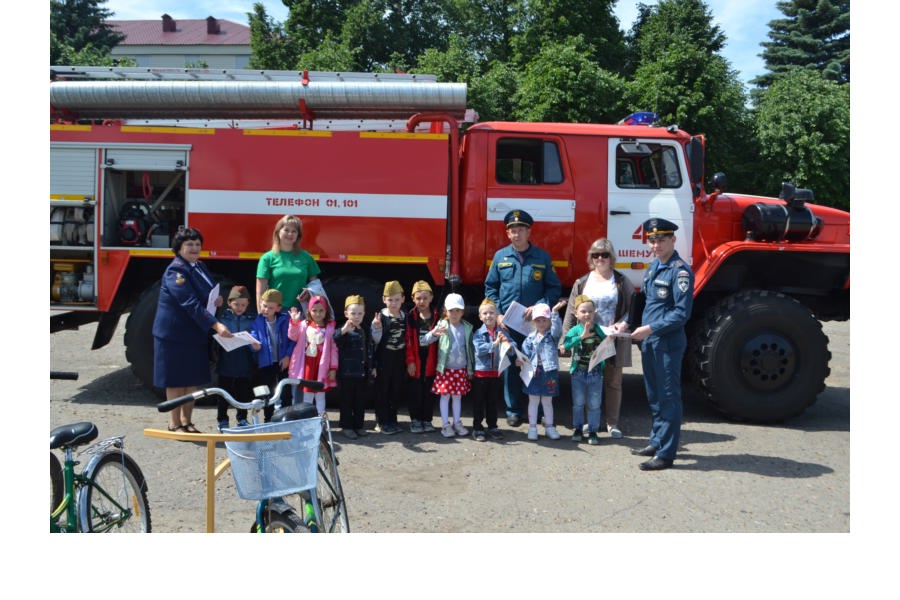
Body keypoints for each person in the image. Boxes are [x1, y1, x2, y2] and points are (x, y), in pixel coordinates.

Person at [626, 218, 694, 471]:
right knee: (654, 395)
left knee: (668, 398)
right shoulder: (654, 267)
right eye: (652, 240)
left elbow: (681, 314)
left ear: (673, 240)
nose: (655, 244)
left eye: (661, 240)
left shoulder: (680, 271)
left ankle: (666, 454)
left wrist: (650, 329)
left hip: (667, 343)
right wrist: (629, 325)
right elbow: (646, 303)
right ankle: (656, 441)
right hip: (650, 343)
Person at [484, 209, 562, 428]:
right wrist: (498, 312)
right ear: (508, 234)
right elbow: (491, 287)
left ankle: (534, 411)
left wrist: (539, 306)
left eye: (520, 230)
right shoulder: (501, 257)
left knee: (534, 364)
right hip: (507, 322)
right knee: (509, 364)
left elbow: (553, 288)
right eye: (512, 231)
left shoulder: (542, 257)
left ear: (529, 232)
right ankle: (513, 410)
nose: (516, 235)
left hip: (534, 323)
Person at [153, 227, 233, 433]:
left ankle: (187, 421)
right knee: (176, 380)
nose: (195, 248)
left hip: (195, 332)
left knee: (192, 380)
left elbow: (205, 293)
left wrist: (216, 300)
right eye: (190, 244)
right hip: (175, 335)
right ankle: (174, 423)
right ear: (179, 247)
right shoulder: (176, 271)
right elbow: (189, 303)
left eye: (198, 244)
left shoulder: (199, 266)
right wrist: (216, 324)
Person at [561, 238, 635, 439]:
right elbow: (570, 311)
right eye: (596, 255)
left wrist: (623, 324)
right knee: (585, 382)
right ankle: (588, 422)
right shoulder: (582, 282)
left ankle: (612, 423)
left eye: (604, 255)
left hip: (612, 340)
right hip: (587, 340)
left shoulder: (621, 281)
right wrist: (564, 340)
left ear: (612, 258)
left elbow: (633, 307)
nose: (600, 258)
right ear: (590, 258)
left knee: (613, 381)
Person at [420, 293, 474, 438]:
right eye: (451, 311)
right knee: (445, 397)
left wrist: (470, 368)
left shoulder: (467, 327)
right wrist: (434, 334)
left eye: (458, 310)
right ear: (445, 311)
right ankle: (445, 424)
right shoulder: (441, 325)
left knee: (457, 397)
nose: (454, 314)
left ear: (463, 312)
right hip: (446, 369)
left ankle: (457, 422)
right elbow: (423, 341)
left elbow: (470, 349)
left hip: (460, 369)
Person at [517, 300, 567, 441]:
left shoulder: (552, 336)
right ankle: (532, 427)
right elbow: (524, 355)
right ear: (533, 322)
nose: (541, 323)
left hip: (548, 372)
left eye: (544, 320)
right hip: (533, 373)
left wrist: (555, 312)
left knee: (547, 401)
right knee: (533, 400)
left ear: (549, 320)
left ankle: (549, 427)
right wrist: (520, 360)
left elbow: (558, 328)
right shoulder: (529, 339)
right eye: (538, 320)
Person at [562, 295, 608, 445]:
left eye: (590, 311)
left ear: (594, 313)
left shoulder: (599, 329)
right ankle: (578, 429)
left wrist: (611, 338)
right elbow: (566, 345)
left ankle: (593, 431)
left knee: (595, 404)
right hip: (579, 373)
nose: (587, 314)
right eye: (583, 311)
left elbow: (606, 343)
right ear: (576, 314)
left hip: (595, 373)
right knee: (578, 403)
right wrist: (581, 336)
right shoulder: (575, 330)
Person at [214, 285, 260, 432]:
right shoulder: (222, 318)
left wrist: (254, 345)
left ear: (248, 304)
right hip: (226, 361)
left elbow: (257, 337)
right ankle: (222, 420)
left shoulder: (252, 319)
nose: (239, 308)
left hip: (244, 362)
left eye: (243, 305)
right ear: (229, 303)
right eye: (236, 304)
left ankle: (242, 418)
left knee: (243, 393)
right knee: (223, 393)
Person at [256, 215, 321, 313]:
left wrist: (309, 293)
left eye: (294, 231)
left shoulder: (306, 257)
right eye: (286, 230)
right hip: (275, 312)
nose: (290, 234)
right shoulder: (267, 258)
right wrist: (261, 315)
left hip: (300, 311)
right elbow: (260, 291)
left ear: (298, 235)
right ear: (278, 232)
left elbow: (315, 287)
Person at [470, 298, 514, 441]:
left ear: (497, 315)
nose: (488, 316)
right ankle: (477, 428)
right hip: (480, 374)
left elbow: (512, 346)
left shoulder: (502, 331)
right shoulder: (478, 333)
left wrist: (508, 344)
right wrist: (495, 344)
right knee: (478, 402)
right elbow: (479, 350)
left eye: (491, 313)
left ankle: (493, 426)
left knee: (492, 402)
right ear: (480, 317)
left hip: (496, 373)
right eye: (485, 313)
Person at [288, 294, 338, 416]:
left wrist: (333, 368)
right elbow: (292, 336)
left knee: (320, 395)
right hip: (308, 367)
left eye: (321, 310)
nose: (318, 314)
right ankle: (308, 419)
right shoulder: (304, 325)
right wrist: (294, 322)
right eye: (314, 310)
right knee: (308, 395)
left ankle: (321, 420)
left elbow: (333, 350)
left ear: (326, 311)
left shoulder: (330, 328)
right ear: (309, 311)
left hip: (322, 367)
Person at [250, 288, 295, 422]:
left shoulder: (285, 320)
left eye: (270, 307)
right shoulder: (257, 321)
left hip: (283, 361)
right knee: (267, 392)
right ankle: (268, 418)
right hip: (266, 362)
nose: (266, 310)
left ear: (278, 308)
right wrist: (254, 346)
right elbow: (253, 336)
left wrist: (287, 356)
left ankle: (286, 417)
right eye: (264, 306)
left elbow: (292, 340)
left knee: (285, 391)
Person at [334, 294, 375, 439]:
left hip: (361, 372)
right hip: (347, 373)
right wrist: (343, 331)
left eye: (359, 313)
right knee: (346, 401)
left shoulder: (364, 329)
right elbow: (334, 339)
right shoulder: (343, 329)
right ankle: (346, 426)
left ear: (364, 314)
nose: (356, 316)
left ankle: (359, 425)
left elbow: (369, 349)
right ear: (346, 313)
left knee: (360, 401)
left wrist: (372, 367)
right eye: (353, 313)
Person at [371, 280, 407, 434]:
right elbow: (375, 341)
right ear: (384, 299)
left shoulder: (404, 316)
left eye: (397, 300)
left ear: (403, 299)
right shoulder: (381, 317)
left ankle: (393, 420)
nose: (393, 303)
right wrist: (376, 328)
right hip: (384, 360)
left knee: (395, 390)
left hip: (398, 360)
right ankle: (381, 421)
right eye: (390, 300)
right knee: (382, 391)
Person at [405, 280, 439, 433]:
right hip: (416, 360)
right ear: (413, 299)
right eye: (418, 298)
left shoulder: (437, 316)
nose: (422, 301)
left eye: (425, 298)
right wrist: (410, 362)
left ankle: (427, 420)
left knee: (429, 392)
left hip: (431, 360)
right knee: (415, 393)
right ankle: (415, 420)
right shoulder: (410, 317)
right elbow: (408, 341)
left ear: (431, 298)